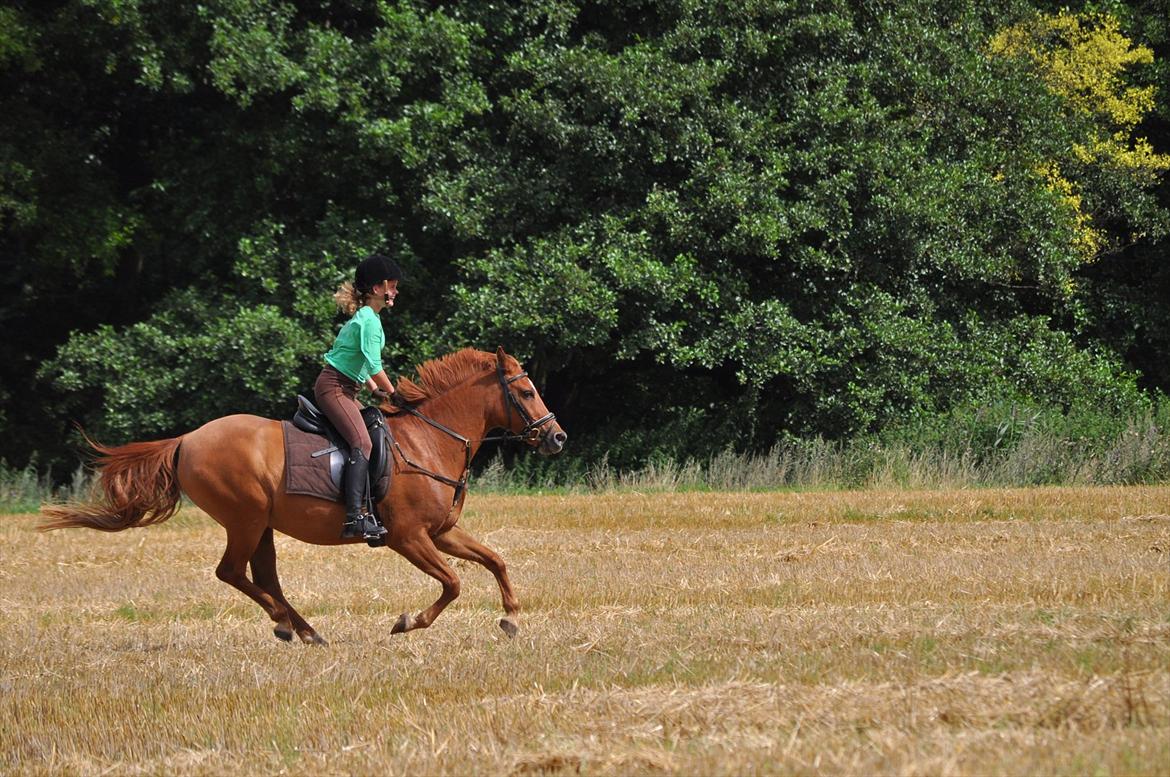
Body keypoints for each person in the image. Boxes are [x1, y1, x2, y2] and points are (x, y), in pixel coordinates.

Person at [315, 253, 401, 539]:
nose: (396, 291)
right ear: (378, 289)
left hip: (347, 386)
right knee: (362, 442)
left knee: (376, 427)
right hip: (334, 387)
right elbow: (374, 365)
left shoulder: (369, 318)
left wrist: (374, 390)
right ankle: (355, 518)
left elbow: (359, 363)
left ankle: (371, 507)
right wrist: (394, 393)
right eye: (393, 285)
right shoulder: (368, 320)